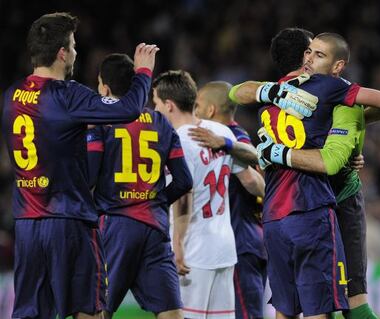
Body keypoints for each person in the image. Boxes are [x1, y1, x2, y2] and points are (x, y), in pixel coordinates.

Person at [230, 31, 380, 319]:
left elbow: (235, 92)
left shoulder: (272, 95)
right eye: (310, 51)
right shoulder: (332, 90)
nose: (311, 57)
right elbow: (332, 161)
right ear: (303, 56)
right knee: (344, 302)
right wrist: (349, 146)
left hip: (279, 212)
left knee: (288, 306)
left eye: (318, 53)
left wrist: (271, 150)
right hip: (321, 206)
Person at [0, 12, 158, 319]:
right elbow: (129, 108)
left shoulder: (10, 97)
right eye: (73, 45)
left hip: (28, 225)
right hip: (69, 221)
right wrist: (143, 72)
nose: (76, 52)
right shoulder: (67, 96)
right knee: (88, 310)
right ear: (62, 53)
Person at [152, 70, 265, 319]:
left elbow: (184, 195)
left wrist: (178, 245)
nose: (155, 110)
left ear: (169, 105)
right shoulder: (219, 132)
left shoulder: (175, 140)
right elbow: (251, 180)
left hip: (194, 251)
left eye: (156, 103)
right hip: (224, 248)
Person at [87, 54, 192, 319]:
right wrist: (155, 201)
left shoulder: (101, 122)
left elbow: (88, 178)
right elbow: (184, 181)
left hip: (115, 225)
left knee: (98, 310)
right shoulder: (162, 123)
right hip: (155, 228)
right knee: (171, 313)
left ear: (105, 89)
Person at [190, 81, 267, 319]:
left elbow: (257, 182)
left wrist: (226, 145)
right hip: (248, 239)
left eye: (197, 106)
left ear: (211, 110)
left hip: (239, 240)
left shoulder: (232, 138)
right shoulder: (234, 137)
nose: (194, 112)